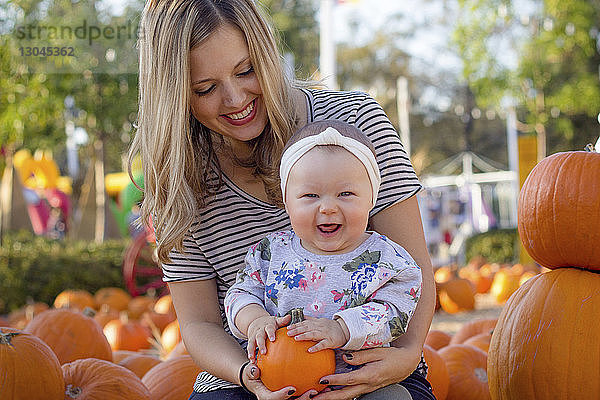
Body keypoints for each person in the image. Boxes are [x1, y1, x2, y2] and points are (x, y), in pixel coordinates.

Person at [129, 1, 436, 399]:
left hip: (367, 367)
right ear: (175, 95)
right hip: (248, 375)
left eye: (246, 70)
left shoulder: (354, 126)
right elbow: (200, 325)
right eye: (205, 88)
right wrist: (247, 375)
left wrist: (407, 355)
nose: (236, 98)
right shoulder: (179, 179)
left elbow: (413, 271)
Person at [224, 121, 422, 399]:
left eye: (346, 194)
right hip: (280, 380)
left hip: (356, 385)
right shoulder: (270, 252)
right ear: (287, 201)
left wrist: (343, 328)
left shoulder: (387, 259)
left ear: (371, 198)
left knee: (395, 398)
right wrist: (254, 320)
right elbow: (240, 294)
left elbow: (395, 312)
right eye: (310, 196)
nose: (328, 207)